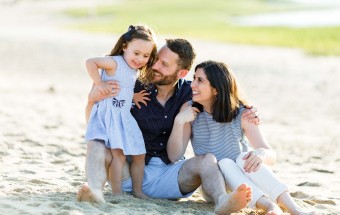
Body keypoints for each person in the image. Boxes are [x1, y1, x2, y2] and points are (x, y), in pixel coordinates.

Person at [77, 38, 259, 214]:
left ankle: (222, 200)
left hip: (170, 176)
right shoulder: (131, 85)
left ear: (181, 73)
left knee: (207, 160)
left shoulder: (192, 93)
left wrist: (249, 110)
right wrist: (91, 101)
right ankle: (94, 190)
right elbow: (95, 123)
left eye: (164, 64)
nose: (155, 66)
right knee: (96, 142)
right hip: (127, 171)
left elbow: (224, 96)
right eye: (156, 60)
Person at [168, 60, 316, 215]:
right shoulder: (190, 110)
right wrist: (179, 121)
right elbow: (174, 156)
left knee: (244, 157)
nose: (192, 85)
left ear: (216, 89)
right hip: (216, 189)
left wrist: (261, 153)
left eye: (200, 80)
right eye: (194, 78)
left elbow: (271, 156)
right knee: (224, 163)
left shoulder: (243, 113)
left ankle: (295, 210)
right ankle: (269, 207)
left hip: (247, 177)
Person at [84, 24, 157, 199]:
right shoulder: (114, 62)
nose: (140, 59)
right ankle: (117, 193)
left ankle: (138, 191)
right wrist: (99, 84)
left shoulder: (133, 70)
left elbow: (121, 88)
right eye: (136, 53)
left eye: (146, 55)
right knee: (119, 155)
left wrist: (133, 97)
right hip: (111, 116)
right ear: (125, 46)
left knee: (140, 153)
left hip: (123, 115)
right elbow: (90, 62)